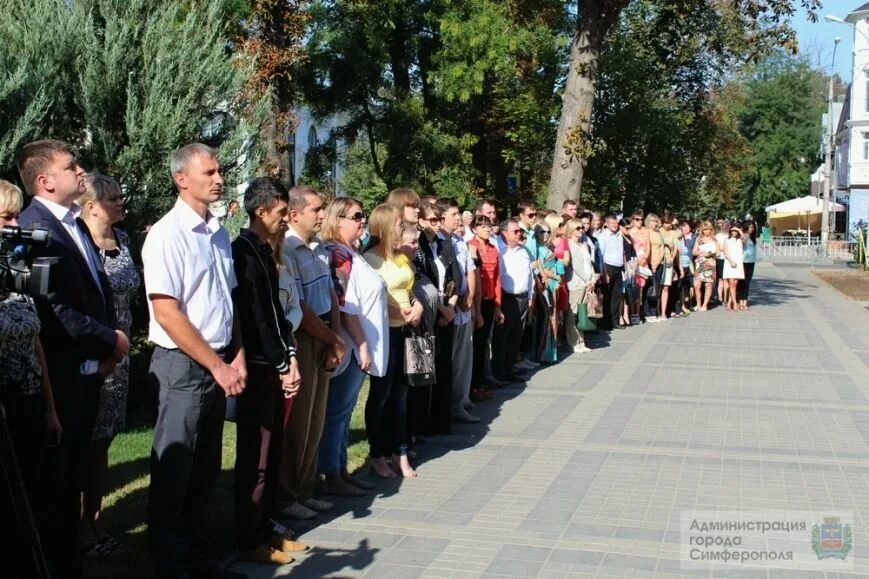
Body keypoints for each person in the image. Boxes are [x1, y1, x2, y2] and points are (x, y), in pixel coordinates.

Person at [16, 139, 128, 579]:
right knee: (56, 490)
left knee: (75, 479)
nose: (80, 171)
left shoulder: (75, 224)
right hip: (57, 378)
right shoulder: (32, 228)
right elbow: (50, 309)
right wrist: (110, 341)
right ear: (45, 181)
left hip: (87, 374)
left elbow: (92, 290)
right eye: (70, 165)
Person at [141, 143, 245, 579]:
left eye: (220, 171)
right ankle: (169, 564)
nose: (219, 179)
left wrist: (236, 353)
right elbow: (168, 312)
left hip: (219, 358)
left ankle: (200, 559)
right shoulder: (167, 234)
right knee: (175, 468)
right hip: (183, 365)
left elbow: (227, 297)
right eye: (210, 172)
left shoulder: (218, 231)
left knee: (204, 468)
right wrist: (217, 365)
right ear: (182, 178)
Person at [231, 177, 307, 565]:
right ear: (261, 212)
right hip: (260, 369)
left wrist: (290, 354)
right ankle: (249, 537)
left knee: (273, 450)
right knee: (256, 456)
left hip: (276, 362)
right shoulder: (243, 251)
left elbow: (278, 313)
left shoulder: (264, 250)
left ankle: (267, 526)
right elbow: (256, 316)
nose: (284, 221)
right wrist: (280, 361)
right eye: (280, 214)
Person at [0, 179, 62, 575]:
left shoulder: (15, 265)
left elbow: (36, 338)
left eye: (16, 215)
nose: (14, 223)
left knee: (36, 500)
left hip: (28, 399)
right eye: (5, 216)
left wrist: (50, 407)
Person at [77, 173, 141, 556]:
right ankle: (79, 528)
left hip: (121, 357)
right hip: (94, 354)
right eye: (113, 198)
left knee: (104, 442)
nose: (121, 203)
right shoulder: (80, 246)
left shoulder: (126, 240)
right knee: (84, 443)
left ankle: (97, 523)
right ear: (91, 206)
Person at [280, 186, 346, 520]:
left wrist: (334, 337)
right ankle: (289, 493)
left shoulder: (319, 247)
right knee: (299, 420)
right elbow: (299, 307)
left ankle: (306, 488)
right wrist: (328, 337)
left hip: (324, 333)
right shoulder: (288, 249)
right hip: (305, 336)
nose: (323, 215)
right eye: (317, 209)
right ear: (294, 214)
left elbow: (330, 294)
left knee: (316, 418)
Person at [318, 197, 387, 494]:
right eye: (356, 216)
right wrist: (360, 344)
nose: (362, 220)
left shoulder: (351, 252)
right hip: (349, 345)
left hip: (358, 344)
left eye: (363, 215)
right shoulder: (338, 254)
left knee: (344, 412)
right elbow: (345, 303)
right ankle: (331, 474)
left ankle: (340, 470)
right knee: (337, 411)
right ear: (338, 219)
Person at [363, 205, 424, 478]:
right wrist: (398, 311)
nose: (403, 227)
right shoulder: (368, 260)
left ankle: (399, 451)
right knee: (381, 395)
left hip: (406, 331)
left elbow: (409, 287)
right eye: (399, 223)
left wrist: (417, 305)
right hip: (384, 333)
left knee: (401, 395)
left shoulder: (400, 257)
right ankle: (377, 453)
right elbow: (373, 296)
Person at [438, 198, 479, 424]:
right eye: (454, 214)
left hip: (464, 308)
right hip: (448, 309)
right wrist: (457, 298)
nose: (458, 218)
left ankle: (460, 401)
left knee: (464, 358)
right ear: (442, 217)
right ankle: (448, 405)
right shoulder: (437, 243)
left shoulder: (460, 242)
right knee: (449, 360)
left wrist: (470, 295)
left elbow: (469, 270)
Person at [492, 219, 534, 381]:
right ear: (504, 233)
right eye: (515, 231)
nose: (519, 234)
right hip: (507, 297)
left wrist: (530, 296)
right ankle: (499, 371)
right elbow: (498, 278)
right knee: (503, 336)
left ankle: (509, 369)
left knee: (517, 335)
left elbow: (529, 275)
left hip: (523, 297)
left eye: (520, 231)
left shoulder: (523, 251)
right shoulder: (500, 252)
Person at [467, 216, 501, 400]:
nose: (487, 229)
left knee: (482, 345)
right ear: (474, 229)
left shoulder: (493, 249)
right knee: (474, 346)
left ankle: (479, 385)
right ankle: (471, 388)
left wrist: (498, 306)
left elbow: (496, 278)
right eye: (482, 226)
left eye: (488, 225)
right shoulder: (470, 246)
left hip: (488, 301)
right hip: (475, 302)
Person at [565, 219, 596, 353]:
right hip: (576, 283)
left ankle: (581, 341)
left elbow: (589, 263)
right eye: (577, 228)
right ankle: (573, 341)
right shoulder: (569, 245)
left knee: (583, 313)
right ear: (571, 229)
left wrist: (593, 279)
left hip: (587, 282)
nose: (581, 230)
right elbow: (575, 266)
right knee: (573, 313)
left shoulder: (583, 244)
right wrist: (586, 280)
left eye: (582, 228)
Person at [597, 214, 625, 330]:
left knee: (616, 296)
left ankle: (615, 321)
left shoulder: (619, 236)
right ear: (606, 224)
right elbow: (601, 255)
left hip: (618, 268)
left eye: (616, 223)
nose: (615, 225)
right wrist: (604, 273)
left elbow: (622, 253)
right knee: (607, 296)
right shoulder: (603, 236)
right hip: (608, 267)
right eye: (612, 223)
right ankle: (605, 322)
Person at [692, 221, 718, 311]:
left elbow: (718, 253)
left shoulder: (714, 240)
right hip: (700, 263)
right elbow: (694, 252)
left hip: (710, 263)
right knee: (697, 285)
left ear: (711, 230)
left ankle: (705, 305)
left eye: (708, 230)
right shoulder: (699, 239)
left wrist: (711, 254)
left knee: (708, 285)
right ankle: (698, 304)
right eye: (704, 230)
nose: (706, 232)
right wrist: (702, 252)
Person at [723, 225, 745, 311]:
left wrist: (739, 229)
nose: (734, 232)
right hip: (729, 262)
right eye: (732, 231)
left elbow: (744, 238)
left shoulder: (740, 240)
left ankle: (729, 302)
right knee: (731, 282)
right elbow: (725, 251)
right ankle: (735, 303)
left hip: (738, 263)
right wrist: (731, 261)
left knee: (735, 284)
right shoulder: (727, 239)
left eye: (735, 231)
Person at [738, 221, 757, 310]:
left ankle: (745, 301)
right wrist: (742, 231)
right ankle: (741, 302)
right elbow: (743, 241)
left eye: (753, 227)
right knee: (743, 282)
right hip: (743, 262)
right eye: (750, 227)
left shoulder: (753, 237)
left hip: (751, 262)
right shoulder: (744, 236)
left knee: (747, 283)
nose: (752, 229)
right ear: (746, 227)